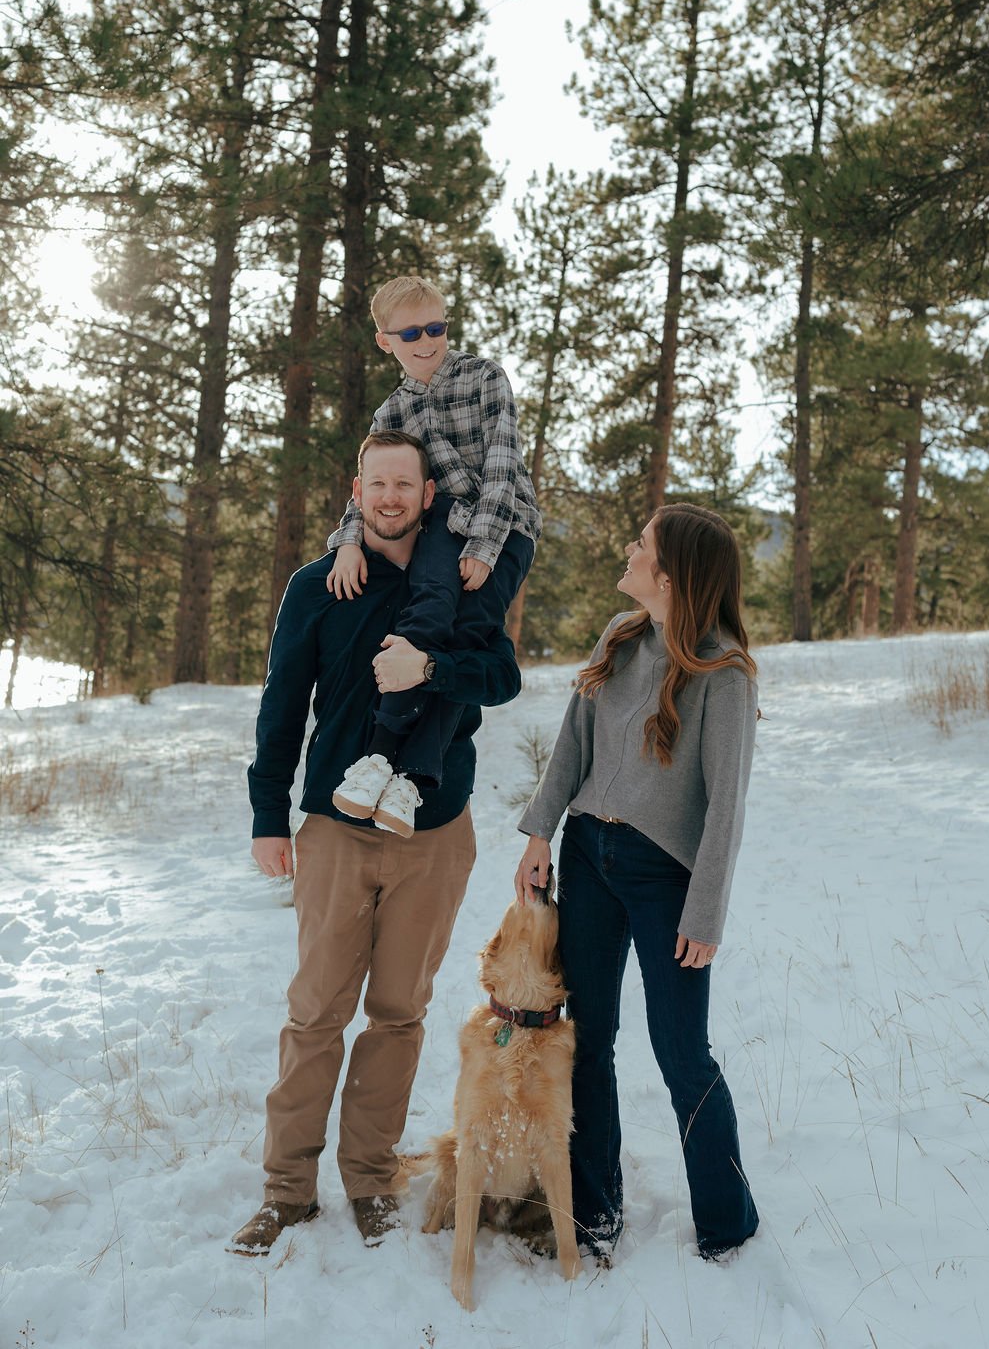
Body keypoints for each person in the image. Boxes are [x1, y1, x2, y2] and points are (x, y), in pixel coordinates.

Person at [231, 431, 522, 1256]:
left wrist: (433, 670)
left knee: (399, 1014)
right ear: (355, 493)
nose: (391, 496)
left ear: (428, 493)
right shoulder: (319, 585)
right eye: (377, 483)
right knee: (316, 1011)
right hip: (334, 827)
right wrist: (267, 814)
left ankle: (371, 1179)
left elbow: (502, 677)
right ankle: (287, 1190)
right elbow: (282, 701)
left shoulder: (465, 577)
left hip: (433, 833)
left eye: (406, 483)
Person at [513, 503, 760, 1264]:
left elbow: (726, 807)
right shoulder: (618, 639)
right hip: (587, 855)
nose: (629, 549)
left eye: (642, 544)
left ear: (673, 572)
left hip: (666, 877)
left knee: (682, 1052)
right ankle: (594, 1208)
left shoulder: (724, 675)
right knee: (586, 1037)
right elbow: (571, 745)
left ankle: (727, 1221)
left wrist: (706, 911)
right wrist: (539, 831)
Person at [326, 274, 541, 840]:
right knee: (426, 614)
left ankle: (413, 777)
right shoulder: (390, 414)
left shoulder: (485, 377)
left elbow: (503, 466)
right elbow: (373, 483)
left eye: (437, 327)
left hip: (506, 523)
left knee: (468, 631)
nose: (427, 341)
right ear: (385, 341)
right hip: (442, 521)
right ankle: (376, 759)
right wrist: (348, 541)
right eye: (411, 332)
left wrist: (486, 548)